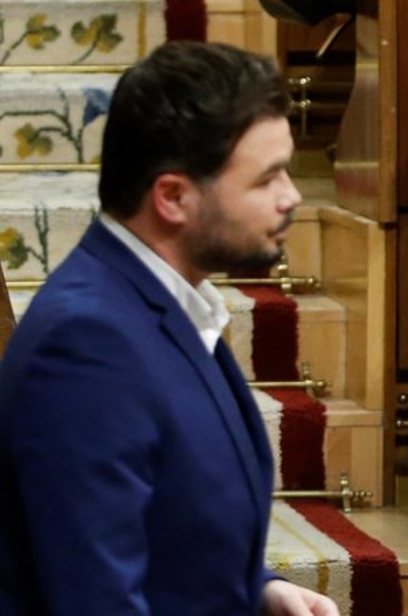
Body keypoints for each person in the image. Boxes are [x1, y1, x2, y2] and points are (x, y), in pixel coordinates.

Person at [0, 41, 339, 615]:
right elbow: (96, 597)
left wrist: (256, 587)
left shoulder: (163, 300)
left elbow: (170, 516)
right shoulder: (87, 346)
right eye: (267, 179)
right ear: (173, 197)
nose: (292, 197)